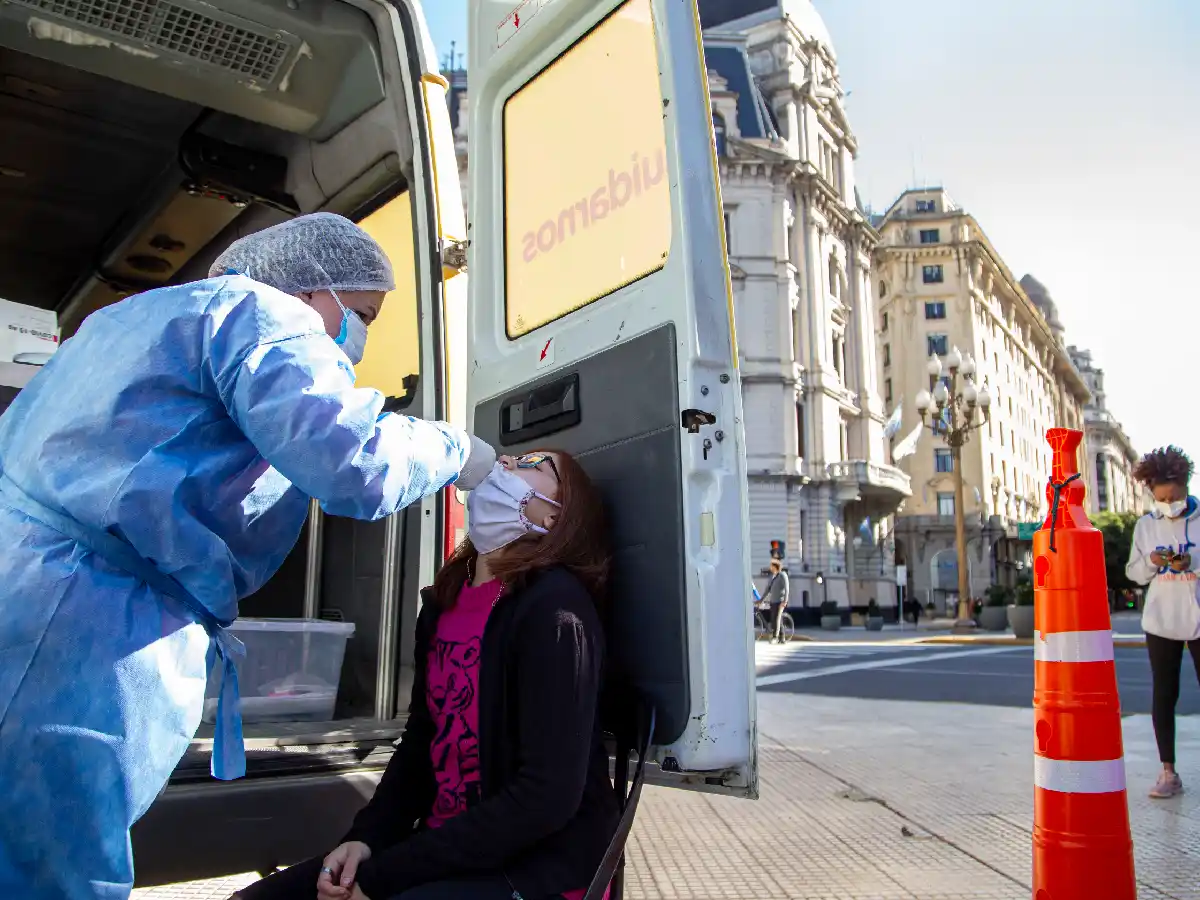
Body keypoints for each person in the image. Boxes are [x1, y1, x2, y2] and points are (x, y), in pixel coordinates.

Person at [0, 213, 497, 900]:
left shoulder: (127, 321)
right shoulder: (266, 312)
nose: (356, 340)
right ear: (315, 288)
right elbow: (350, 460)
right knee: (53, 864)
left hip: (28, 580)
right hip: (86, 623)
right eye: (361, 315)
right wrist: (455, 450)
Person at [234, 450, 619, 900]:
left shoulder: (555, 612)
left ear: (555, 519)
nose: (509, 460)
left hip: (535, 870)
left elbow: (544, 799)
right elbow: (421, 743)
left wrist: (382, 879)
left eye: (536, 463)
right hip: (444, 850)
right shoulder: (444, 603)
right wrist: (366, 840)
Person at [1125, 445, 1200, 799]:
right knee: (1164, 694)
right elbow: (1134, 573)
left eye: (1174, 497)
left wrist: (1193, 562)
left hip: (1198, 616)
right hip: (1161, 620)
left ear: (1185, 486)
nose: (1169, 504)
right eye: (1161, 499)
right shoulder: (1145, 526)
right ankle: (1168, 772)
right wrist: (1154, 561)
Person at [763, 559, 790, 643]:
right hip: (773, 601)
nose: (770, 568)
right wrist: (761, 600)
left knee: (777, 619)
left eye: (771, 566)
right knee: (774, 619)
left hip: (780, 601)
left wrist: (785, 601)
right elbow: (768, 589)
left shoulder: (782, 575)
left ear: (775, 566)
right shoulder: (773, 576)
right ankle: (782, 639)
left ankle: (775, 637)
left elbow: (787, 588)